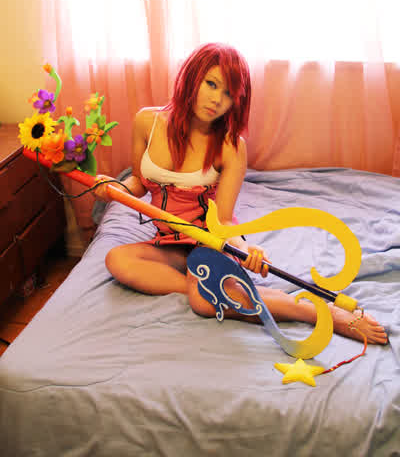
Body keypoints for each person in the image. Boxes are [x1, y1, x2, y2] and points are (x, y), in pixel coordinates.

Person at [94, 42, 387, 345]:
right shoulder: (147, 122)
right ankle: (207, 287)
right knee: (118, 259)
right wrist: (114, 188)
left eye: (229, 94)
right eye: (211, 84)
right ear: (191, 77)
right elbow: (138, 182)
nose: (217, 100)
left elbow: (223, 220)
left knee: (203, 303)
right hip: (169, 243)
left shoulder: (231, 146)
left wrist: (245, 250)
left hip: (209, 239)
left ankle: (322, 312)